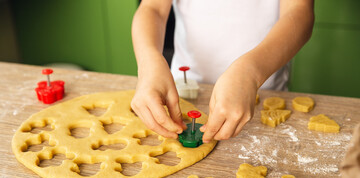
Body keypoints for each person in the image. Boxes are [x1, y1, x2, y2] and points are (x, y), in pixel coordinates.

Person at [131, 0, 314, 142]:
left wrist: (250, 72)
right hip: (182, 92)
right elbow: (153, 7)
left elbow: (299, 12)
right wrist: (148, 60)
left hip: (263, 94)